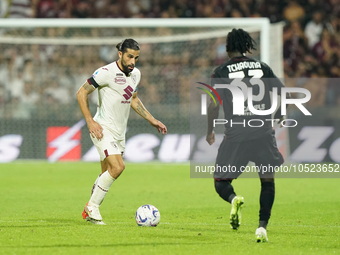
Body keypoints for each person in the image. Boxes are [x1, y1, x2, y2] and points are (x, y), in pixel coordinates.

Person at [76, 38, 167, 225]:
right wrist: (90, 121)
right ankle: (92, 207)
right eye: (129, 57)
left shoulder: (136, 75)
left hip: (119, 132)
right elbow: (81, 93)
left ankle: (90, 208)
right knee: (118, 167)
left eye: (136, 58)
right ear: (120, 54)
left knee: (106, 173)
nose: (133, 61)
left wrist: (152, 119)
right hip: (102, 128)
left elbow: (133, 99)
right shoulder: (105, 72)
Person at [206, 29, 285, 242]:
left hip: (236, 135)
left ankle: (233, 200)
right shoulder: (263, 67)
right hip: (262, 132)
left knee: (221, 181)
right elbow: (280, 90)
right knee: (267, 182)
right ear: (246, 46)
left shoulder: (220, 71)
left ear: (228, 47)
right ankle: (262, 227)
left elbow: (213, 105)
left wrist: (210, 129)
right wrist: (279, 114)